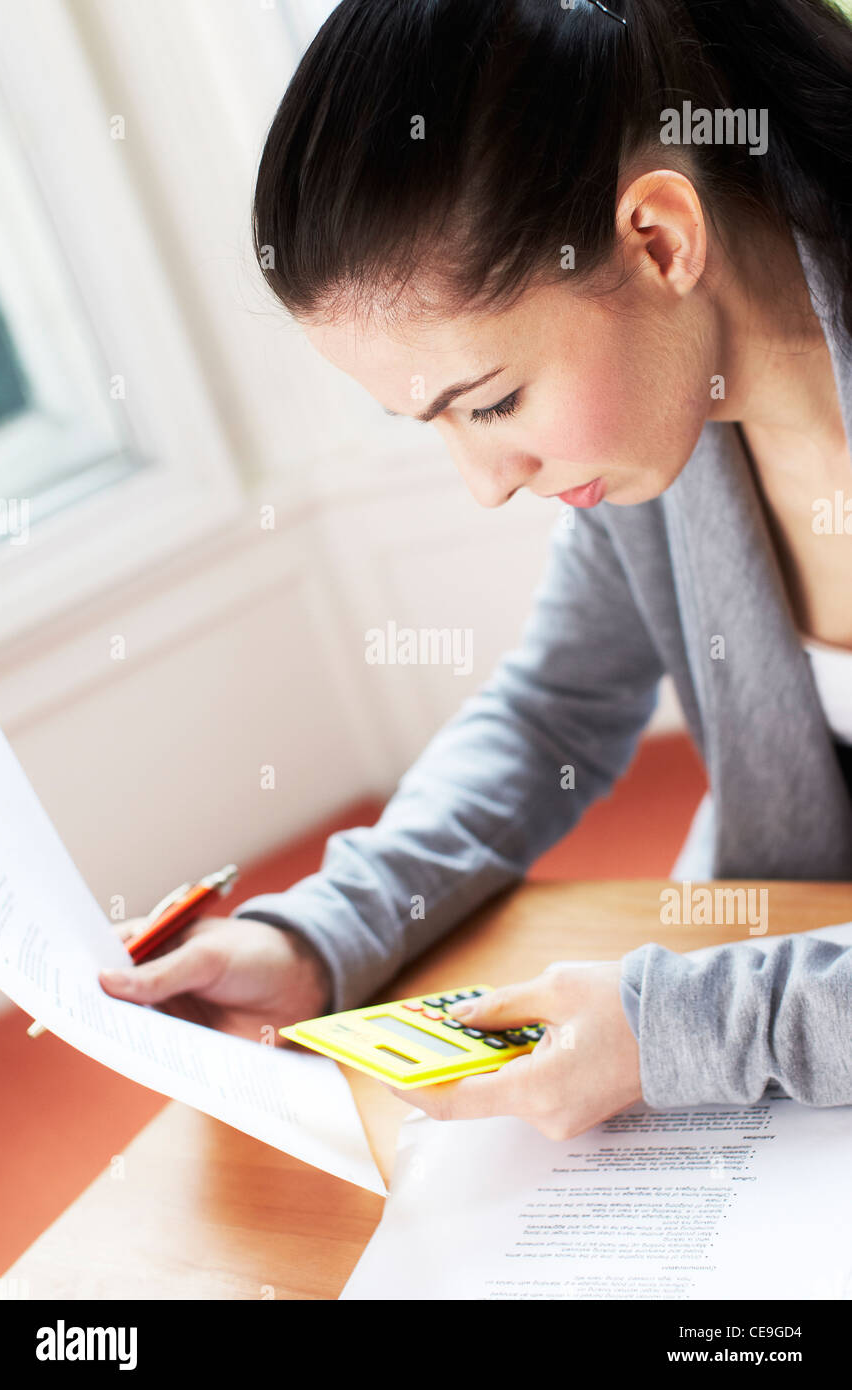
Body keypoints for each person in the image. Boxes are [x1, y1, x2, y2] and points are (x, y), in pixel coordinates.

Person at [100, 0, 852, 1140]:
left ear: (658, 238)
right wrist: (317, 932)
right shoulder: (662, 441)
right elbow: (549, 713)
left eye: (492, 400)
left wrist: (687, 1026)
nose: (485, 483)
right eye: (432, 424)